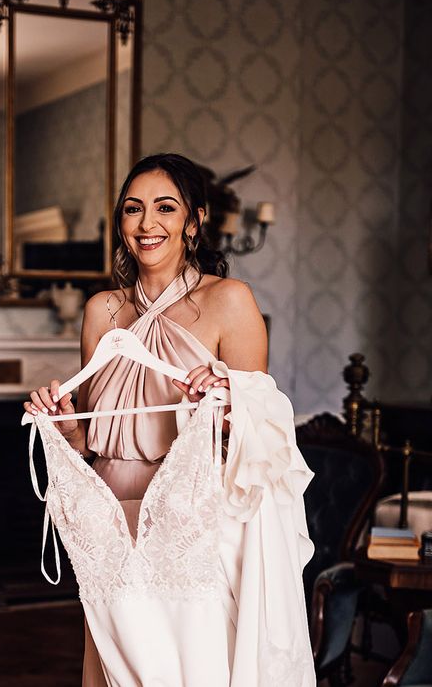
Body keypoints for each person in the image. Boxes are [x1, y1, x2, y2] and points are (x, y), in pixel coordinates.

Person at [24, 153, 314, 686]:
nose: (147, 223)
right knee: (118, 667)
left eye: (165, 208)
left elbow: (260, 436)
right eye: (133, 209)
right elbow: (91, 438)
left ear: (194, 221)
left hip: (188, 525)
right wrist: (62, 422)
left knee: (186, 667)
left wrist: (228, 398)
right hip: (107, 525)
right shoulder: (101, 311)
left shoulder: (230, 301)